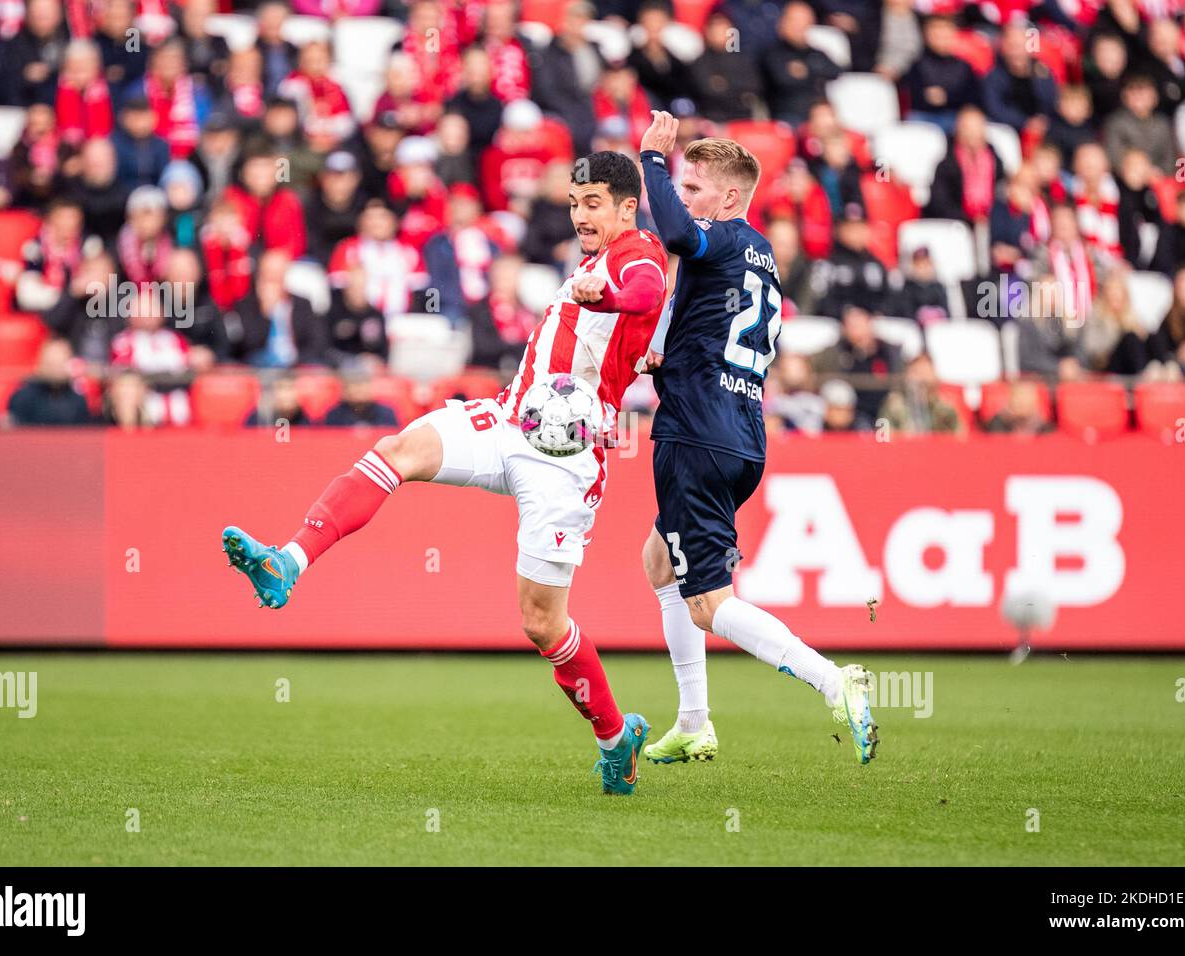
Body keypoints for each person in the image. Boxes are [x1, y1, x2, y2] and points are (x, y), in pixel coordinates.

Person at [221, 152, 668, 796]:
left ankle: (613, 735)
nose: (580, 215)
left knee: (542, 623)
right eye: (574, 203)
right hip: (511, 417)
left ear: (627, 207)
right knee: (399, 449)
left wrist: (612, 295)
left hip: (566, 459)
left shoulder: (638, 253)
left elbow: (648, 291)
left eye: (593, 202)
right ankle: (288, 561)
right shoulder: (597, 260)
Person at [637, 112, 877, 767]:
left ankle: (834, 681)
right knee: (660, 561)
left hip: (695, 434)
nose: (682, 197)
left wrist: (653, 163)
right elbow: (715, 319)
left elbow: (678, 234)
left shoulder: (713, 238)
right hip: (742, 435)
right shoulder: (760, 253)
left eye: (694, 187)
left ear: (730, 198)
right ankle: (693, 721)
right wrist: (669, 353)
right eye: (681, 184)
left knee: (710, 604)